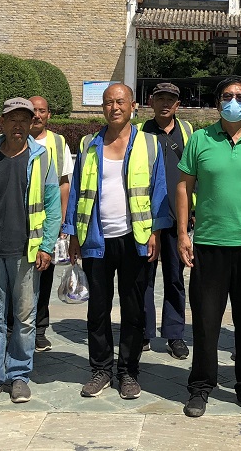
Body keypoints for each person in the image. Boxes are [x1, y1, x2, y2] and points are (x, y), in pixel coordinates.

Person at [177, 76, 241, 418]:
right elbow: (184, 186)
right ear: (217, 102)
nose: (233, 101)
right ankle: (200, 386)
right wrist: (183, 233)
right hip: (209, 244)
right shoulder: (200, 139)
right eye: (227, 96)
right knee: (206, 320)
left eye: (239, 97)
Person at [64, 83, 169, 400]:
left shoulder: (149, 144)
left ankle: (128, 372)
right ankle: (101, 370)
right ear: (103, 108)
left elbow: (159, 190)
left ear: (133, 106)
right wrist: (72, 233)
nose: (115, 107)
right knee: (97, 309)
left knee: (134, 309)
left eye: (121, 102)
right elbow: (77, 190)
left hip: (135, 238)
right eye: (109, 102)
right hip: (95, 238)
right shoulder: (89, 143)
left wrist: (155, 232)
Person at [0, 97, 62, 405]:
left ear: (32, 123)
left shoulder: (42, 158)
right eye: (12, 119)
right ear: (1, 123)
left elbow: (52, 206)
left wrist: (46, 246)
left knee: (25, 319)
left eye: (24, 119)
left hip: (26, 253)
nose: (18, 125)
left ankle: (19, 375)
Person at [141, 82, 192, 360]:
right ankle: (143, 331)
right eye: (160, 98)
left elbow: (195, 173)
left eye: (170, 100)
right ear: (151, 101)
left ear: (177, 105)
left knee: (175, 277)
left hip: (177, 217)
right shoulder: (140, 132)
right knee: (143, 278)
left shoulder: (187, 132)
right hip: (146, 219)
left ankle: (174, 334)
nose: (165, 104)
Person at [28, 95, 73, 353]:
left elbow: (64, 183)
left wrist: (63, 220)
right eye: (33, 110)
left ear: (49, 115)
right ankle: (14, 327)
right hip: (20, 223)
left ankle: (39, 330)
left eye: (42, 111)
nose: (37, 115)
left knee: (44, 276)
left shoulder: (58, 142)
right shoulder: (15, 138)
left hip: (48, 223)